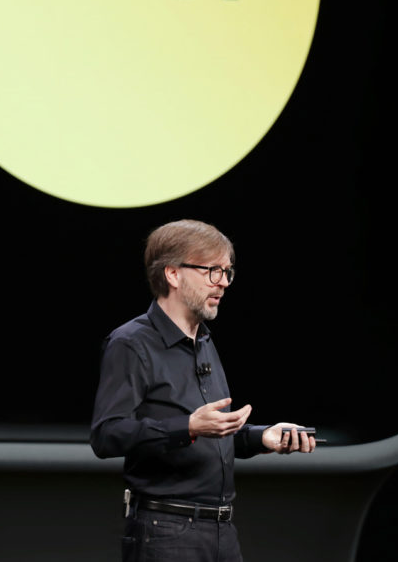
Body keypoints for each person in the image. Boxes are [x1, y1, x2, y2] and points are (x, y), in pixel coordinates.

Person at [90, 219, 315, 562]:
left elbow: (213, 431)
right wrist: (189, 426)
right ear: (173, 274)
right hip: (167, 531)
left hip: (222, 530)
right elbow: (107, 435)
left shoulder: (204, 340)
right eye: (212, 270)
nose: (223, 282)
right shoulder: (131, 343)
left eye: (227, 271)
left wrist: (262, 436)